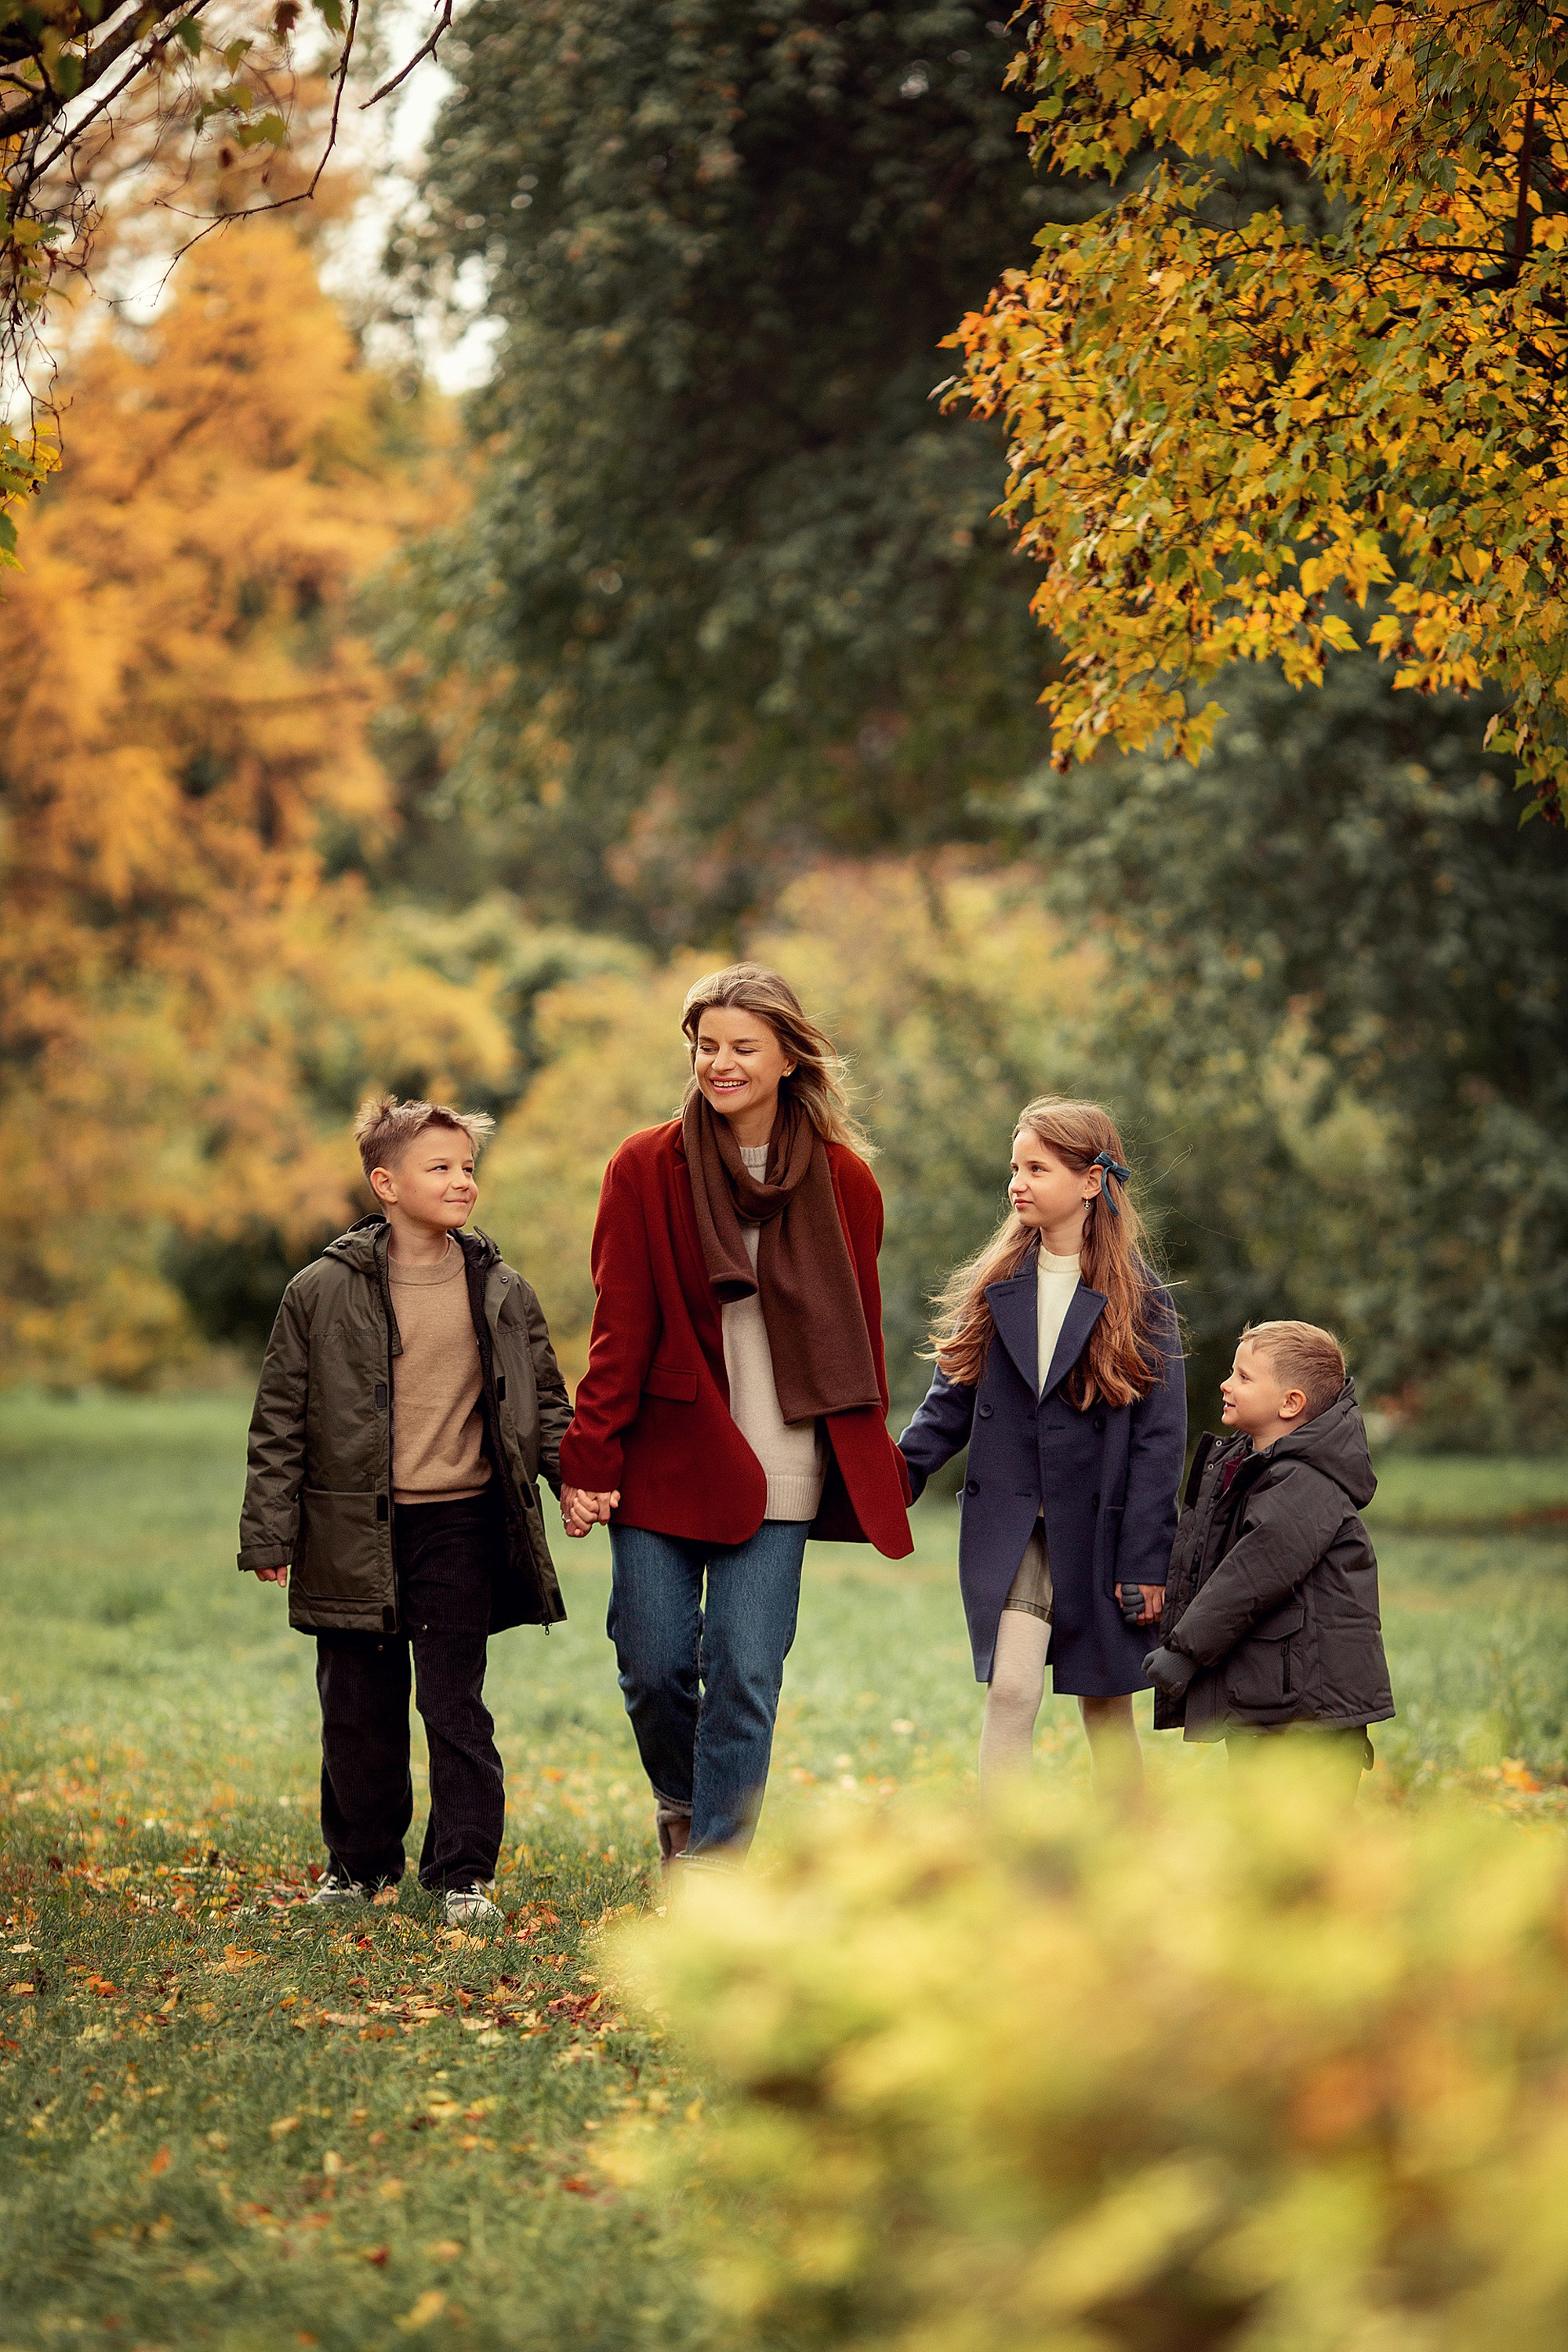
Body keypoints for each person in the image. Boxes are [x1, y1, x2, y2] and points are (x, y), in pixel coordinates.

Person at [559, 964, 913, 1868]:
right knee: (653, 1665)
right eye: (706, 1046)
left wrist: (864, 1452)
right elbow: (619, 1325)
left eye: (742, 1047)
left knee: (746, 1676)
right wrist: (589, 1456)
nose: (720, 1064)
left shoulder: (844, 1181)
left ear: (790, 1056)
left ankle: (715, 1868)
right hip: (667, 1453)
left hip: (785, 1458)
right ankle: (683, 1798)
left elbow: (857, 1334)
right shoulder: (644, 1164)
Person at [237, 1096, 571, 1924]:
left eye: (468, 1168)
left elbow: (546, 1404)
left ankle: (463, 1875)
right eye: (441, 1168)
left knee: (455, 1704)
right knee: (356, 1709)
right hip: (350, 1530)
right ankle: (358, 1867)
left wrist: (580, 1481)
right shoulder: (317, 1292)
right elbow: (279, 1417)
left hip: (459, 1526)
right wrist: (271, 1528)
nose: (462, 1182)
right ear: (385, 1183)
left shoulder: (501, 1288)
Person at [898, 1097, 1185, 1799]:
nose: (1017, 1183)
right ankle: (1008, 1854)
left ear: (1092, 1182)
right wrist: (889, 1480)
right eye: (1014, 1168)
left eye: (1037, 1168)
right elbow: (950, 1402)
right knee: (1012, 1691)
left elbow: (1159, 1441)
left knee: (1107, 1703)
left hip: (1104, 1532)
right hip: (1017, 1527)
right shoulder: (995, 1285)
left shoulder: (1142, 1298)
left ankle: (1127, 1843)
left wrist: (1148, 1561)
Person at [1143, 1320, 1394, 1794]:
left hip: (1309, 1716)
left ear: (1290, 1403)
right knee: (1264, 1842)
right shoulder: (1251, 1468)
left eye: (1243, 1377)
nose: (1226, 1384)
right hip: (1270, 1695)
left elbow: (1251, 1574)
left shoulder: (1306, 1481)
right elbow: (1205, 1557)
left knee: (1307, 1848)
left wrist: (1185, 1651)